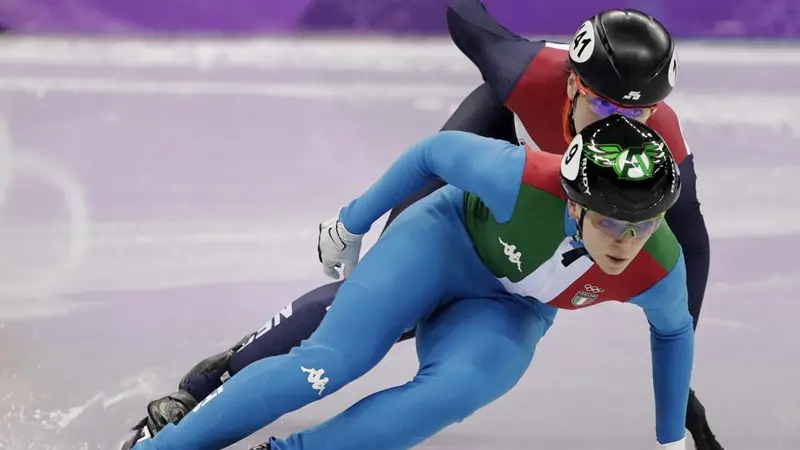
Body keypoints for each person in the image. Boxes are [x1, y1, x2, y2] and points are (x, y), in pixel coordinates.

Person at [122, 1, 720, 449]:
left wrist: (677, 404)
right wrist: (351, 223)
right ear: (572, 83)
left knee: (454, 385)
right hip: (487, 185)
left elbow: (682, 260)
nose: (619, 122)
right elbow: (439, 141)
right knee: (354, 334)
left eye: (638, 110)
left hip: (519, 277)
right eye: (605, 105)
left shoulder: (657, 166)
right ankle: (212, 384)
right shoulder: (526, 78)